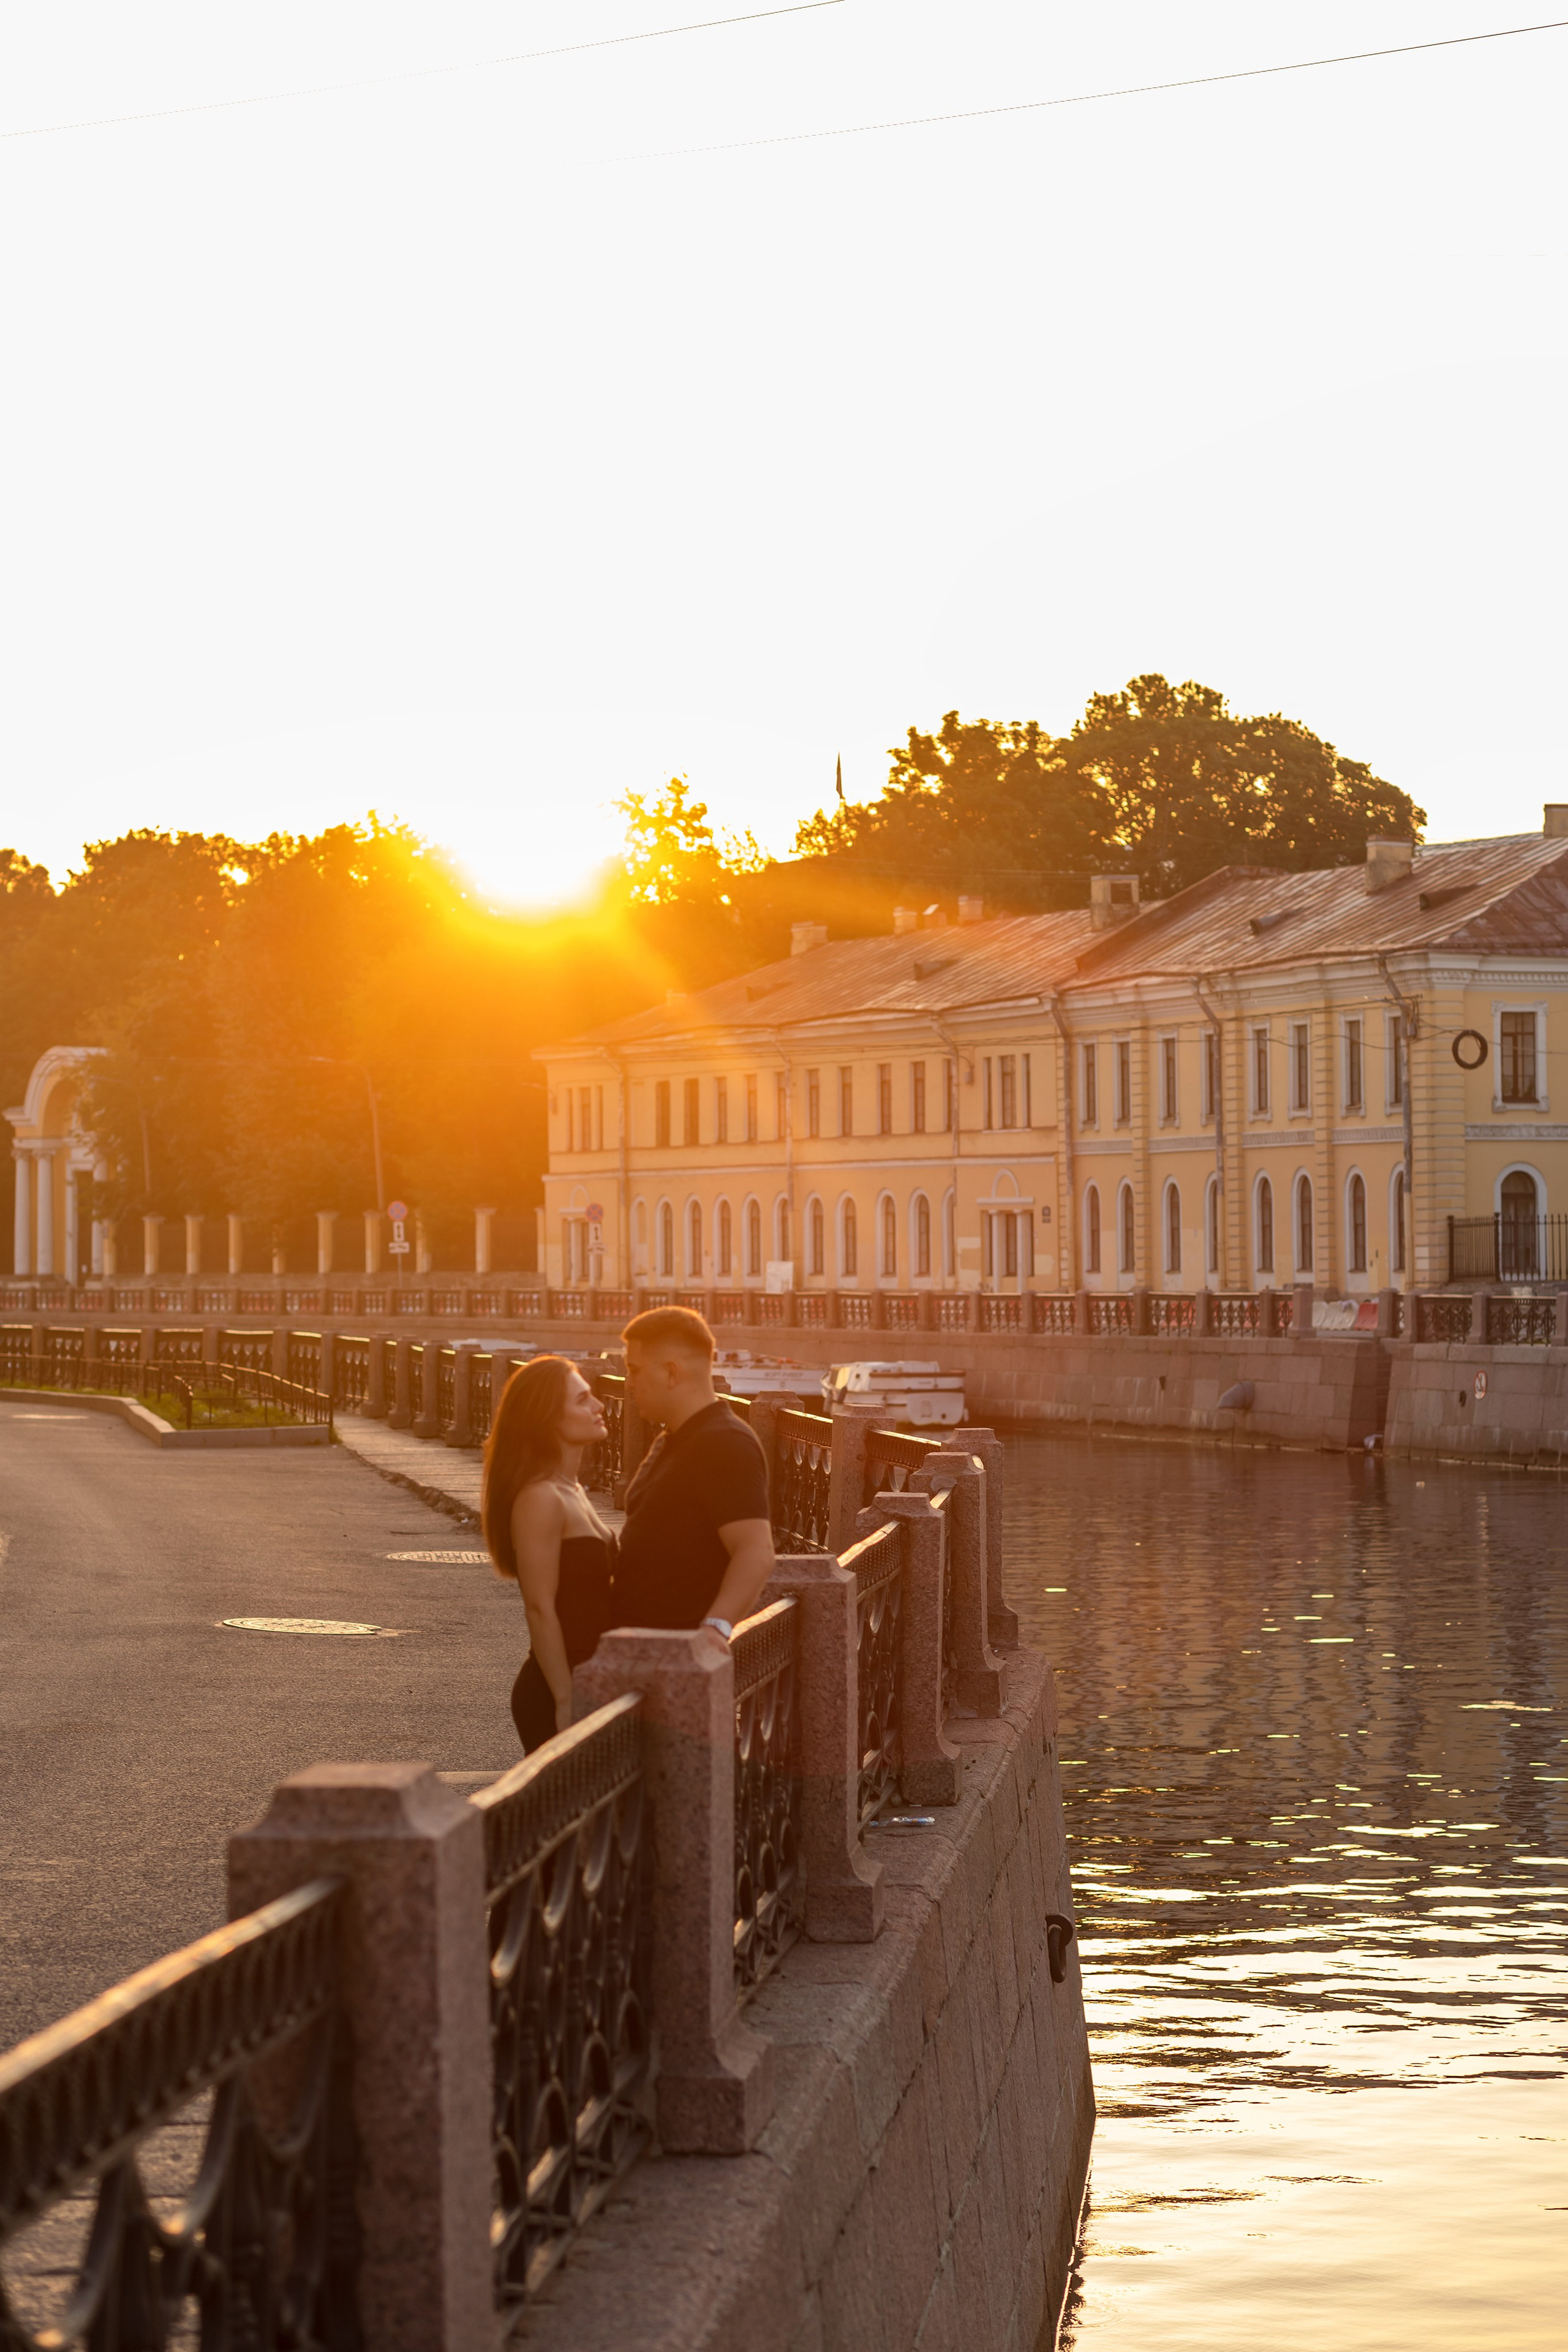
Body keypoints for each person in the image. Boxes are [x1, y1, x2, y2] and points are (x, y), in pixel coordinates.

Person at [481, 1355, 617, 1751]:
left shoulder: (572, 1490)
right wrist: (565, 1699)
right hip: (556, 1688)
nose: (599, 1407)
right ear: (548, 1419)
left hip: (587, 1679)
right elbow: (539, 1608)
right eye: (582, 1400)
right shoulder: (541, 1496)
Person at [615, 1305, 775, 1640]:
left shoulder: (725, 1442)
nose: (629, 1383)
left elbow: (755, 1552)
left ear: (672, 1373)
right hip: (646, 1650)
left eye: (635, 1370)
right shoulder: (672, 1438)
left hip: (680, 1656)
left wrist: (714, 1630)